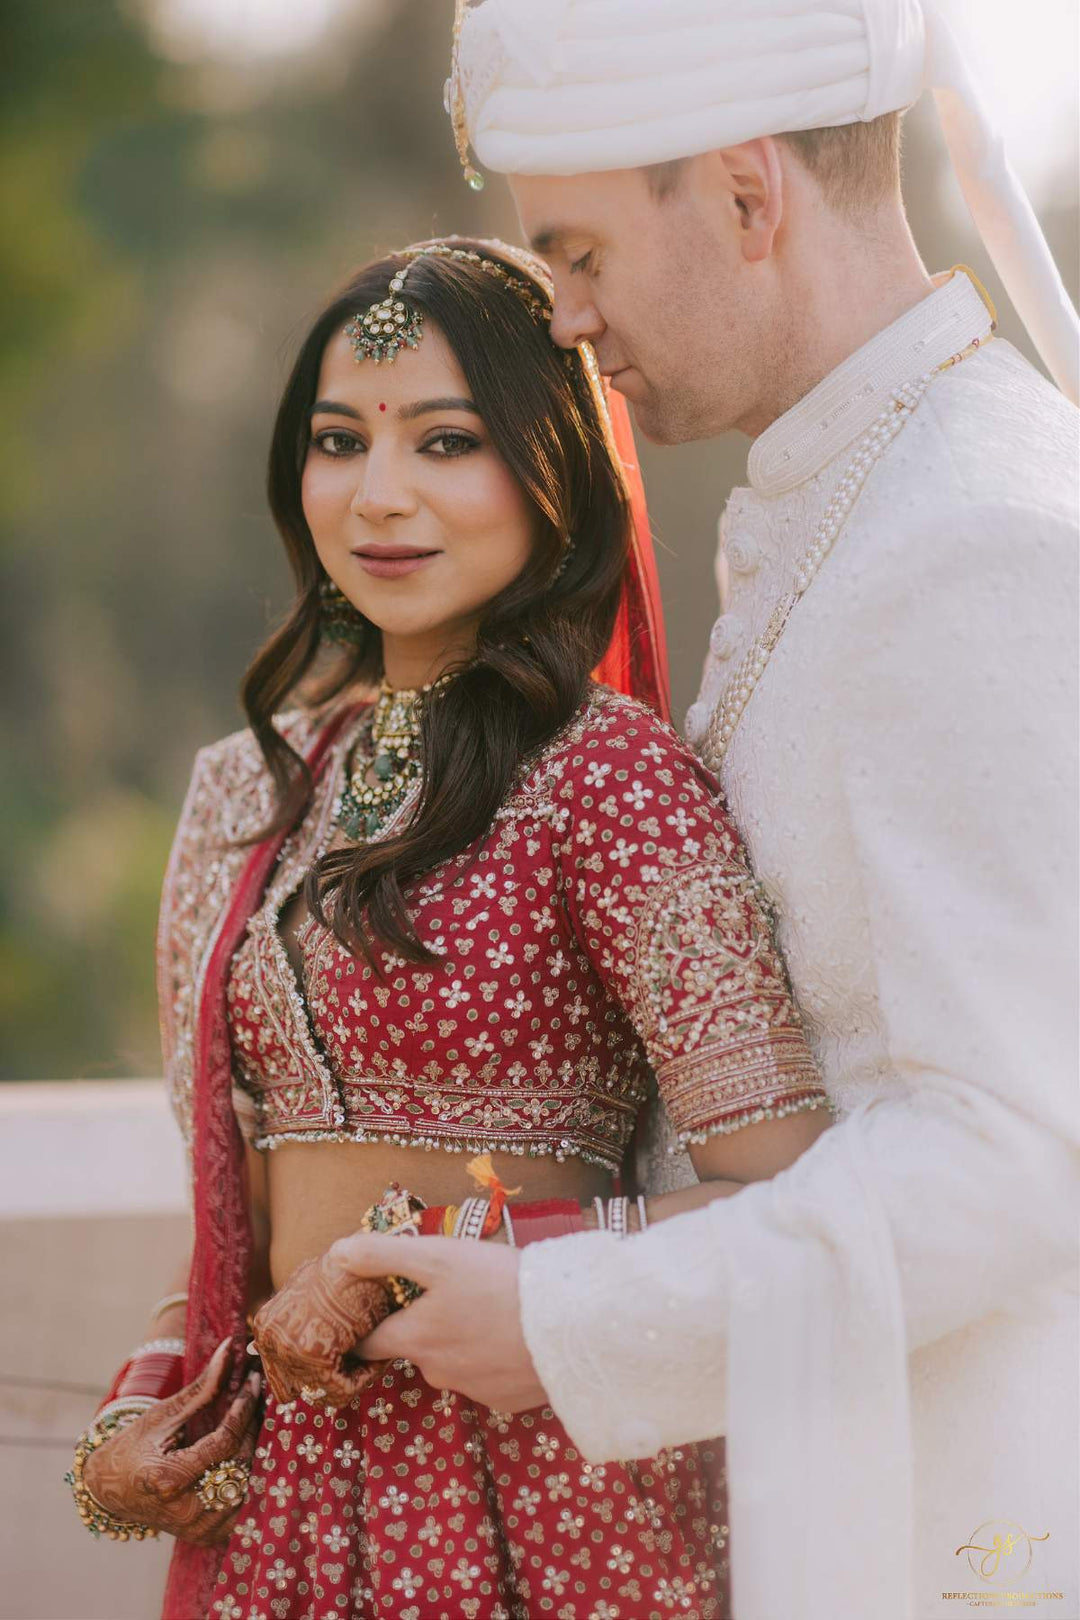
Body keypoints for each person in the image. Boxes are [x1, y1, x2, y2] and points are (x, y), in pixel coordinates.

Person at [329, 6, 1080, 1619]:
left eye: (582, 252)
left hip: (969, 1534)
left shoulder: (972, 539)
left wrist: (573, 1321)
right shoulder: (856, 491)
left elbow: (1017, 1157)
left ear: (750, 198)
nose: (568, 318)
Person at [65, 236, 835, 1620]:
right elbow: (230, 1219)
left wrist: (436, 1245)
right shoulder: (247, 792)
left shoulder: (613, 784)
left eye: (446, 440)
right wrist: (138, 1415)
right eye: (340, 441)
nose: (380, 495)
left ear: (555, 462)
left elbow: (786, 1198)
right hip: (294, 1494)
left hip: (541, 1475)